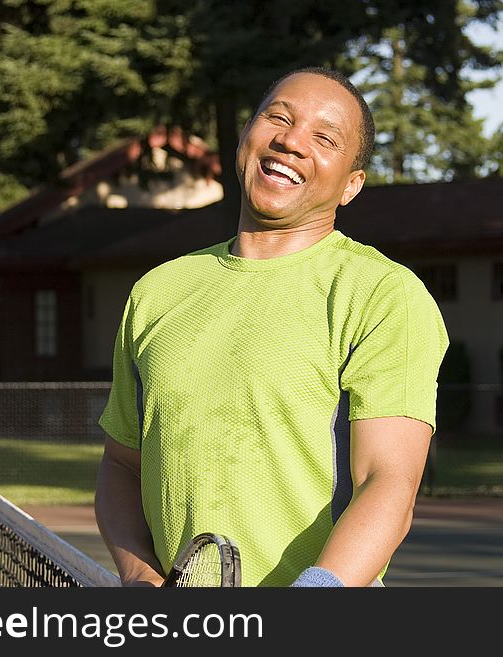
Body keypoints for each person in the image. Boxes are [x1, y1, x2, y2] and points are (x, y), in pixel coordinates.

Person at [95, 66, 449, 587]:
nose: (290, 141)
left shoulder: (383, 294)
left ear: (352, 186)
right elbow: (122, 466)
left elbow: (388, 484)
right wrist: (140, 577)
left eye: (324, 138)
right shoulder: (158, 291)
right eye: (277, 118)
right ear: (245, 137)